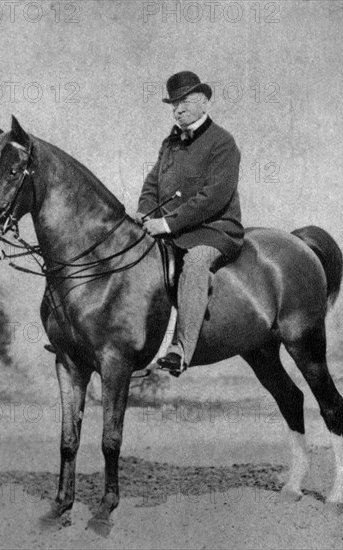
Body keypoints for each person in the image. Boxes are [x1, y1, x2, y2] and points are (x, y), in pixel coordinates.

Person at [136, 71, 244, 376]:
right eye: (173, 104)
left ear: (204, 102)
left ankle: (180, 350)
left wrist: (167, 224)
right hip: (172, 229)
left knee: (195, 263)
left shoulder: (223, 143)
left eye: (184, 101)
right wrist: (145, 214)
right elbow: (151, 185)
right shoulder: (169, 143)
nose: (177, 109)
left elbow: (214, 196)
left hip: (215, 230)